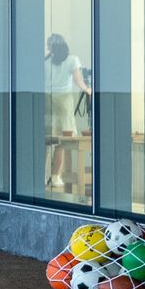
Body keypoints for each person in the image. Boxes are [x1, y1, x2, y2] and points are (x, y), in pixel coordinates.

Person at [44, 33, 92, 191]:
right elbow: (78, 81)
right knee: (61, 142)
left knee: (46, 140)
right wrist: (88, 90)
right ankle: (56, 177)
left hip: (46, 100)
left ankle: (43, 177)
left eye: (49, 46)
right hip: (64, 101)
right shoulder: (72, 59)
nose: (48, 49)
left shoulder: (45, 61)